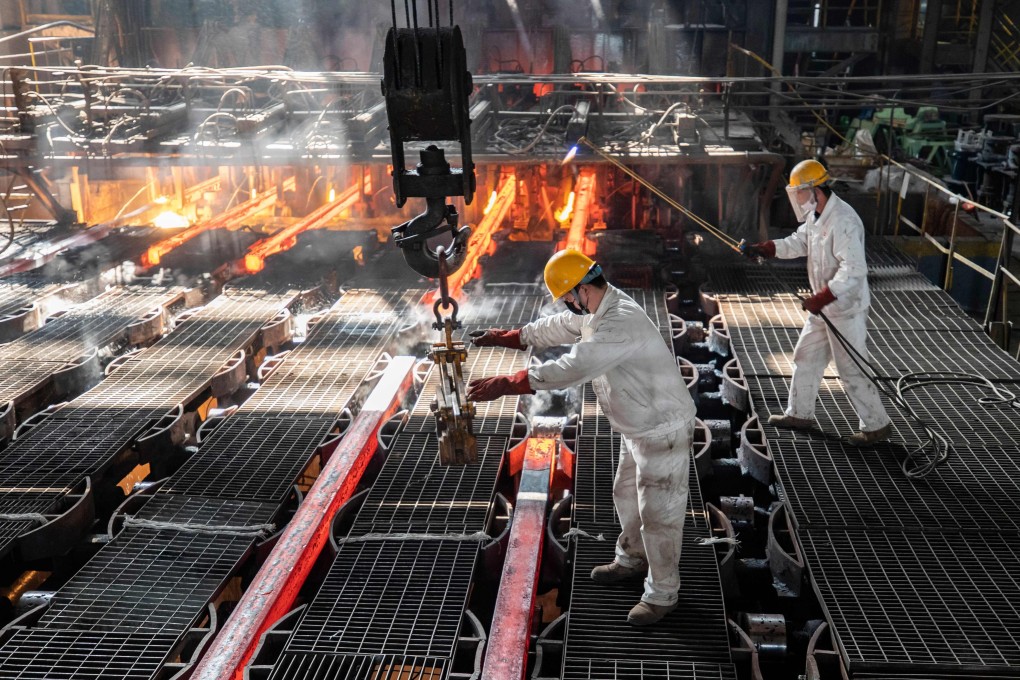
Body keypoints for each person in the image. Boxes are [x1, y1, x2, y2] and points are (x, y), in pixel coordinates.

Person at [467, 249, 696, 626]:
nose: (567, 304)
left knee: (659, 515)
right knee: (626, 496)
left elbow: (573, 367)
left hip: (662, 429)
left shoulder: (618, 322)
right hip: (637, 426)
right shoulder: (599, 308)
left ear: (580, 289)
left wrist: (507, 383)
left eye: (567, 296)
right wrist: (508, 337)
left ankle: (662, 594)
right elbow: (558, 326)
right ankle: (632, 559)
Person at [741, 158, 892, 446]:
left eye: (799, 192)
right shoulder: (815, 217)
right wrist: (767, 248)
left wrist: (822, 297)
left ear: (816, 190)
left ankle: (876, 426)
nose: (797, 198)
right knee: (805, 357)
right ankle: (800, 413)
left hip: (844, 309)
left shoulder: (844, 221)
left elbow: (854, 270)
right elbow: (798, 243)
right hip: (823, 309)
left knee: (851, 368)